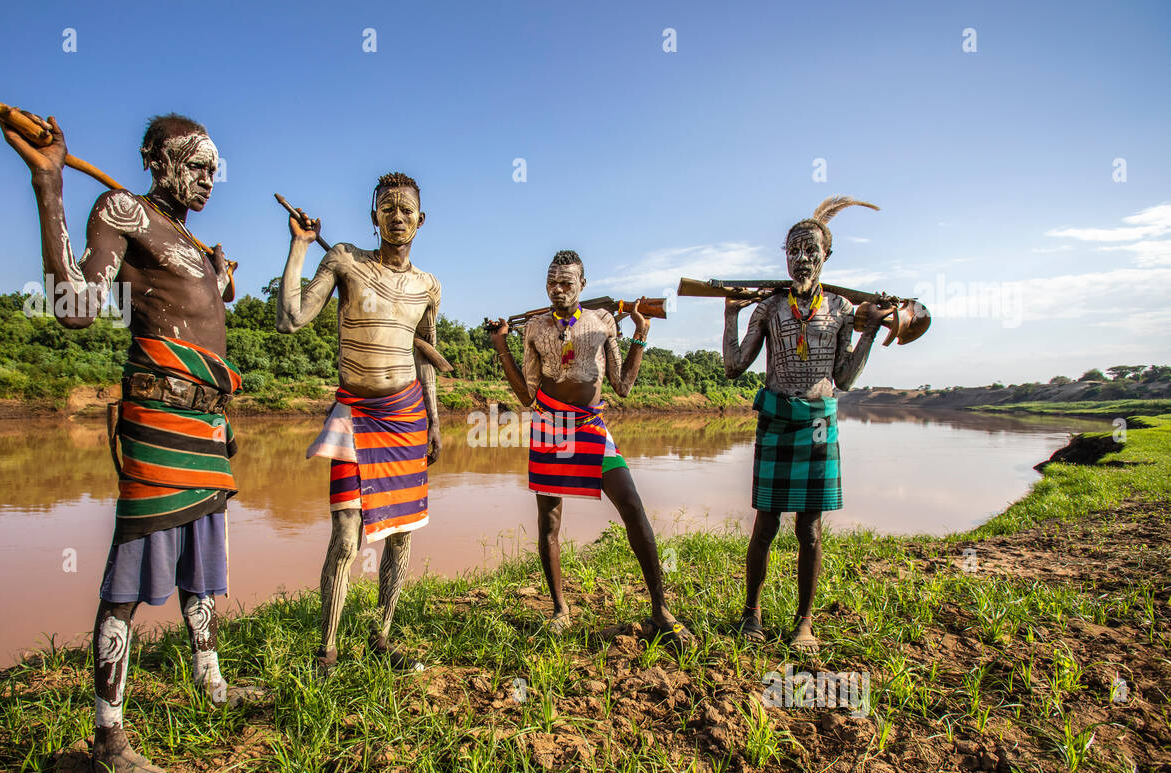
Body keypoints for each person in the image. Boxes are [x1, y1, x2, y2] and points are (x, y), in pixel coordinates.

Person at [0, 110, 258, 773]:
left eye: (213, 168)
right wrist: (50, 184)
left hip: (206, 427)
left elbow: (204, 303)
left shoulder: (190, 241)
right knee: (128, 581)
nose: (208, 178)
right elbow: (76, 305)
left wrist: (218, 273)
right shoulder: (124, 212)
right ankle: (108, 737)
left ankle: (212, 683)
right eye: (195, 164)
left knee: (201, 564)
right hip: (158, 420)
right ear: (156, 159)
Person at [277, 173, 442, 674]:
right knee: (346, 536)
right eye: (387, 208)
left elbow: (426, 357)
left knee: (402, 534)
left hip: (408, 417)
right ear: (374, 217)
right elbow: (290, 319)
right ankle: (326, 651)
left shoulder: (428, 286)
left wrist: (435, 420)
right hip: (356, 415)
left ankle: (382, 636)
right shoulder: (345, 260)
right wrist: (300, 247)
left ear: (421, 219)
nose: (397, 217)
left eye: (406, 209)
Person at [486, 250, 690, 641]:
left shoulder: (603, 322)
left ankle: (661, 610)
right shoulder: (533, 327)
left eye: (566, 282)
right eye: (552, 282)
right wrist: (501, 347)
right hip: (548, 424)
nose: (558, 289)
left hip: (591, 426)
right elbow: (527, 395)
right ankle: (560, 609)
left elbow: (623, 385)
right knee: (549, 521)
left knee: (632, 506)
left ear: (583, 285)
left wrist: (641, 334)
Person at [723, 196, 889, 655]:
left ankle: (804, 623)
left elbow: (845, 378)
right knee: (765, 524)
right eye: (794, 250)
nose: (802, 258)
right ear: (784, 256)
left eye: (811, 250)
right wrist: (731, 315)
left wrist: (870, 329)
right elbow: (735, 366)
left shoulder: (841, 310)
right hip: (777, 416)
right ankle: (751, 613)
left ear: (826, 256)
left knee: (810, 529)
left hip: (818, 422)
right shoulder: (770, 309)